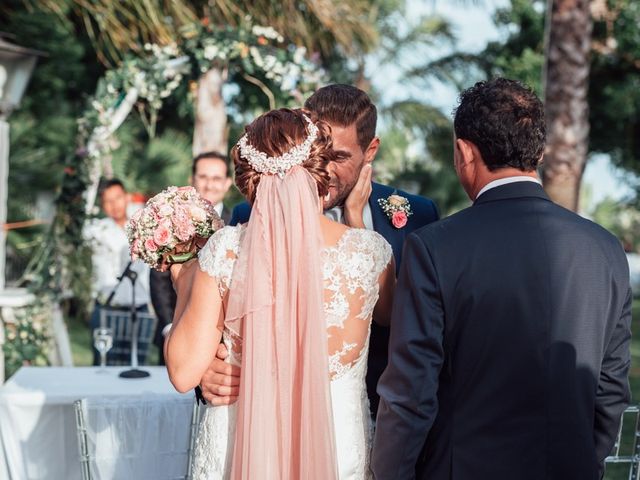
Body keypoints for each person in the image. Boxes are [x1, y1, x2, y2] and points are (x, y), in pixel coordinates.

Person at [371, 78, 632, 480]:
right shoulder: (605, 249)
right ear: (539, 152)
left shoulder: (434, 248)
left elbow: (410, 394)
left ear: (464, 152)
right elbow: (610, 391)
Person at [166, 108, 396, 478]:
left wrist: (184, 277)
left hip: (239, 446)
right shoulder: (370, 254)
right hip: (337, 448)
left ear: (248, 176)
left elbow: (181, 372)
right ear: (320, 167)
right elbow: (391, 319)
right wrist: (356, 223)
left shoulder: (225, 249)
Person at [203, 84, 440, 414]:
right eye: (319, 153)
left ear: (370, 150)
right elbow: (222, 316)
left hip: (372, 416)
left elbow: (417, 327)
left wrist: (356, 220)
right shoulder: (251, 213)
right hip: (270, 413)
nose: (325, 170)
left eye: (340, 157)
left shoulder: (418, 215)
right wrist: (211, 367)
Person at [149, 151, 233, 365]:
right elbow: (159, 278)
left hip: (223, 339)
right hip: (177, 330)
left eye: (216, 179)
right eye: (203, 177)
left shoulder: (237, 222)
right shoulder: (171, 220)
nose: (209, 184)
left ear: (227, 183)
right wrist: (169, 326)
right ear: (192, 180)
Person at [84, 178, 150, 365]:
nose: (115, 205)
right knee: (104, 363)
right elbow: (82, 226)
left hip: (139, 308)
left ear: (126, 197)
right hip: (107, 307)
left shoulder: (143, 227)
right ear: (102, 205)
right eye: (108, 201)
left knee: (138, 364)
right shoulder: (97, 230)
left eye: (118, 197)